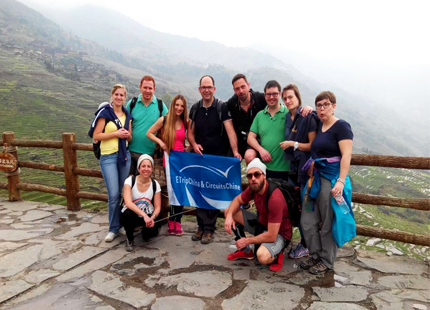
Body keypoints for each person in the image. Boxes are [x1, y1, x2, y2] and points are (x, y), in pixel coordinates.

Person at [300, 91, 353, 274]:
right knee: (307, 221)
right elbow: (309, 112)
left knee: (328, 221)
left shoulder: (341, 127)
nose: (322, 108)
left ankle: (326, 260)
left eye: (326, 104)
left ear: (334, 106)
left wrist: (340, 181)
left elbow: (346, 155)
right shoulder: (320, 125)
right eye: (319, 105)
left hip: (331, 180)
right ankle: (314, 255)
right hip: (314, 179)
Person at [187, 75, 241, 244]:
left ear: (214, 89)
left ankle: (209, 229)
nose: (207, 90)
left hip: (218, 159)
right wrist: (194, 144)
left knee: (211, 192)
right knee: (199, 191)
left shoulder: (221, 107)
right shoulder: (195, 108)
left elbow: (230, 131)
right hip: (200, 158)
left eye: (209, 87)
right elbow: (190, 132)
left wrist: (235, 152)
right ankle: (200, 227)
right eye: (204, 87)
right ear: (199, 89)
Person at [224, 158, 292, 272]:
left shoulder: (275, 198)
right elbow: (237, 200)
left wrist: (248, 240)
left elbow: (271, 235)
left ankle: (277, 252)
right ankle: (247, 251)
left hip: (279, 233)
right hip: (262, 224)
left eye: (256, 174)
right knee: (228, 211)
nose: (253, 179)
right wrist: (229, 216)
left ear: (264, 175)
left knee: (262, 256)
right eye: (249, 176)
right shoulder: (253, 188)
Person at [90, 84, 133, 242]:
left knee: (122, 193)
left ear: (124, 97)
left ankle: (120, 225)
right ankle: (113, 228)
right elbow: (96, 135)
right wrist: (116, 133)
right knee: (113, 194)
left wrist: (126, 135)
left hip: (124, 156)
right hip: (108, 157)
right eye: (117, 94)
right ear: (112, 95)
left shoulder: (127, 114)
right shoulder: (105, 113)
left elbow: (130, 138)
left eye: (122, 95)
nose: (119, 97)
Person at [279, 84, 317, 259]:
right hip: (292, 169)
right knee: (295, 207)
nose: (287, 101)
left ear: (298, 98)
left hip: (305, 170)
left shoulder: (307, 116)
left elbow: (312, 145)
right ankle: (302, 241)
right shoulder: (288, 117)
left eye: (290, 97)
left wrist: (292, 144)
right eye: (285, 98)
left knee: (305, 208)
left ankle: (307, 244)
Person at [147, 94, 189, 236]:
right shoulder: (164, 120)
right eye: (177, 105)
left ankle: (178, 221)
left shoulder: (185, 121)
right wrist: (160, 142)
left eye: (182, 106)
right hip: (169, 161)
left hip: (182, 161)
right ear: (172, 105)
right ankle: (171, 221)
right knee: (173, 190)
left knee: (181, 191)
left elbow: (187, 139)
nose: (179, 108)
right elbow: (149, 133)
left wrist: (191, 147)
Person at [247, 80, 290, 180]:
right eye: (268, 94)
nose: (271, 97)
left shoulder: (288, 113)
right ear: (265, 95)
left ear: (280, 94)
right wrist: (260, 150)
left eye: (274, 94)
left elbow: (302, 113)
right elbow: (250, 138)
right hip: (264, 169)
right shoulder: (260, 115)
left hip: (285, 169)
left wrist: (307, 108)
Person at [127, 75, 168, 176]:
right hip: (130, 152)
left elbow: (169, 124)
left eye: (150, 88)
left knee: (144, 186)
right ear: (140, 87)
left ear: (154, 89)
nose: (147, 90)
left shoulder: (160, 105)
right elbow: (122, 122)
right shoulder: (132, 103)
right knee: (128, 184)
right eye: (145, 87)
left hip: (150, 154)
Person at [120, 154, 161, 252]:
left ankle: (145, 231)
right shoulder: (130, 181)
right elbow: (128, 203)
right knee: (128, 214)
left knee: (150, 235)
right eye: (143, 166)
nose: (146, 169)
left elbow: (158, 206)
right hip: (133, 213)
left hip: (147, 214)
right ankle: (129, 239)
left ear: (152, 169)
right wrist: (144, 215)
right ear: (138, 168)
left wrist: (151, 218)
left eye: (148, 166)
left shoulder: (155, 184)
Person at [226, 74, 267, 164]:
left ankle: (254, 177)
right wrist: (235, 152)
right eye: (237, 89)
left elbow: (277, 105)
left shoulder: (260, 99)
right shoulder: (231, 104)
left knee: (249, 156)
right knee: (228, 160)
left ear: (248, 85)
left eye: (243, 87)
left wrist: (304, 109)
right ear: (234, 90)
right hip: (240, 139)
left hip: (257, 138)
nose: (241, 91)